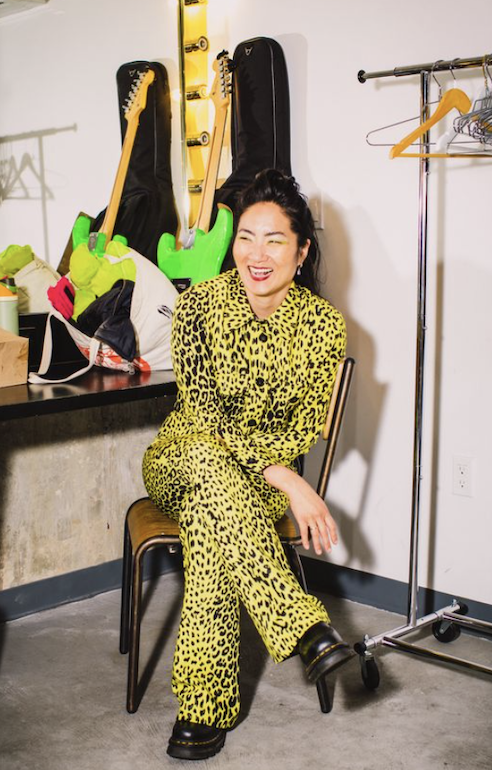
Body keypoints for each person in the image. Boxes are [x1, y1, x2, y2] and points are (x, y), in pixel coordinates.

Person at [142, 169, 350, 760]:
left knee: (211, 526)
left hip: (242, 490)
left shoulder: (323, 326)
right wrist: (285, 475)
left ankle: (203, 709)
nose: (256, 255)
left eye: (274, 240)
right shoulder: (198, 305)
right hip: (180, 458)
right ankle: (303, 626)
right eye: (246, 238)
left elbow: (303, 427)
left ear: (301, 251)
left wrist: (273, 471)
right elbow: (202, 415)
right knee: (205, 457)